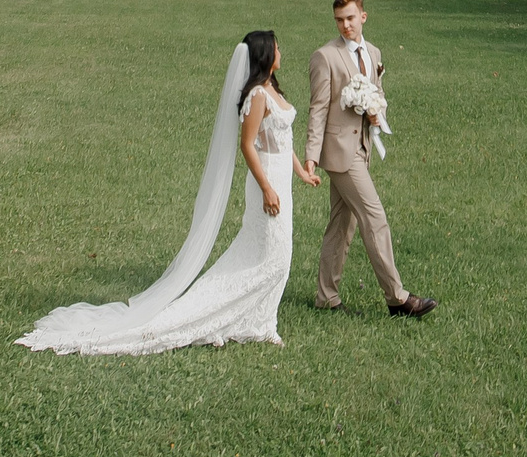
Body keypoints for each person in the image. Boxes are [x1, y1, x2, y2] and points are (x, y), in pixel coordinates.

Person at [19, 30, 320, 356]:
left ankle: (261, 321)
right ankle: (245, 320)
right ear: (265, 55)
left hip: (281, 181)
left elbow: (283, 139)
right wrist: (266, 188)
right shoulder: (258, 95)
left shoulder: (273, 88)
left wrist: (302, 173)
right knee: (273, 257)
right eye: (276, 47)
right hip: (267, 182)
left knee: (277, 257)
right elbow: (248, 145)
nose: (280, 51)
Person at [305, 0, 436, 318]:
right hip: (340, 153)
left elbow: (378, 93)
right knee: (374, 218)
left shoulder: (373, 52)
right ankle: (398, 298)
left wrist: (377, 112)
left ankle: (326, 297)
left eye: (350, 18)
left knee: (342, 225)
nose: (345, 25)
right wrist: (311, 156)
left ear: (363, 16)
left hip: (362, 148)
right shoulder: (325, 56)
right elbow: (318, 109)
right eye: (339, 20)